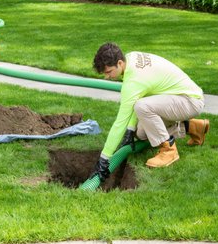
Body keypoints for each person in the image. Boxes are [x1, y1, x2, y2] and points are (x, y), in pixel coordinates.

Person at [90, 42, 210, 183]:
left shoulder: (133, 81)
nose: (107, 77)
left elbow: (119, 123)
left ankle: (169, 151)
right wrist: (130, 129)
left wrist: (104, 158)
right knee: (141, 133)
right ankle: (194, 127)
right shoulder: (132, 57)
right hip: (178, 99)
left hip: (190, 101)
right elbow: (141, 95)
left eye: (108, 72)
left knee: (142, 107)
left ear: (120, 63)